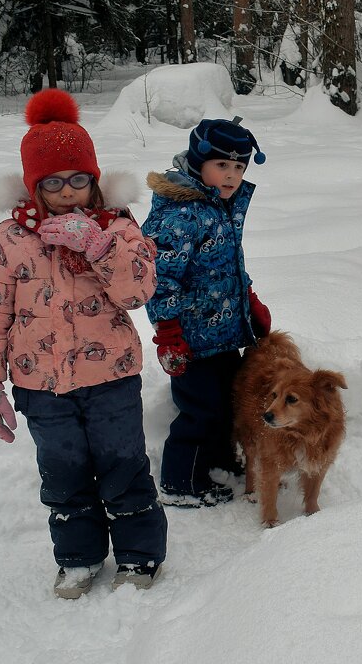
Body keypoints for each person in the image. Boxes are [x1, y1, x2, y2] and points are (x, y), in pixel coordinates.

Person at [0, 88, 168, 599]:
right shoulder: (12, 238)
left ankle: (140, 555)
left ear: (95, 180)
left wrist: (98, 247)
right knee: (63, 474)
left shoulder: (117, 227)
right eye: (52, 183)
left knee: (123, 468)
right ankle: (77, 558)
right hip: (40, 385)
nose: (67, 192)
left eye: (79, 179)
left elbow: (139, 290)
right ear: (34, 186)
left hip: (112, 380)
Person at [142, 117, 272, 507]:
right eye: (222, 166)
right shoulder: (181, 214)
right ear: (199, 164)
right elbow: (161, 279)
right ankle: (181, 482)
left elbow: (227, 264)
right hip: (190, 339)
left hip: (225, 333)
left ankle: (217, 465)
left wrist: (247, 300)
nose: (231, 176)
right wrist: (168, 332)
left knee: (227, 403)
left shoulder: (220, 206)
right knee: (200, 411)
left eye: (239, 167)